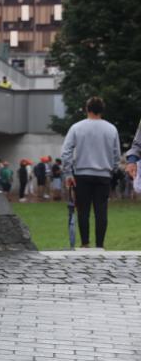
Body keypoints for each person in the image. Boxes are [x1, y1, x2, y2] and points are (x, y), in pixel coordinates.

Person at [61, 96, 121, 249]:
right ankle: (100, 244)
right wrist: (112, 170)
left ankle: (85, 243)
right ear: (102, 110)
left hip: (82, 174)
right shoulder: (111, 129)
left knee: (83, 210)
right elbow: (116, 155)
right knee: (101, 211)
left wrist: (68, 173)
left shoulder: (76, 127)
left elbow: (66, 151)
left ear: (87, 109)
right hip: (104, 175)